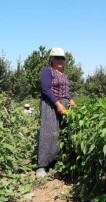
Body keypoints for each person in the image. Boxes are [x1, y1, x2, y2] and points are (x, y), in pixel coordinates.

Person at [36, 47, 75, 178]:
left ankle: (55, 163)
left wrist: (70, 99)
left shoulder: (63, 75)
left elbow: (66, 92)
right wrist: (57, 104)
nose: (60, 60)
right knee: (48, 131)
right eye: (57, 58)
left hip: (63, 105)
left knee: (60, 133)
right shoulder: (48, 71)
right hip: (50, 104)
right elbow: (46, 89)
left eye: (62, 58)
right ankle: (41, 166)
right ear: (51, 59)